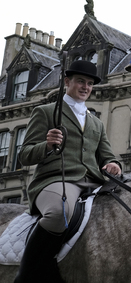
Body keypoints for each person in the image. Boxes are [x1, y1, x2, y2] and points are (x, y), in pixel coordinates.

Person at [16, 60, 122, 283]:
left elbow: (107, 154)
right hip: (56, 180)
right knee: (58, 213)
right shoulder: (45, 112)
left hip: (93, 181)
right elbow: (24, 155)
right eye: (80, 81)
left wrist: (113, 164)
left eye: (90, 84)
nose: (85, 87)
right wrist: (46, 145)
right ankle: (26, 276)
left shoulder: (96, 122)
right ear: (67, 82)